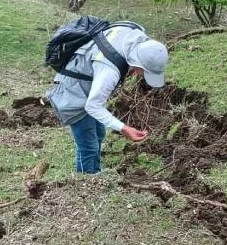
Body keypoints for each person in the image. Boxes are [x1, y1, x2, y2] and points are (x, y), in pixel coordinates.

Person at [46, 22, 168, 174]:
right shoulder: (109, 71)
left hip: (87, 82)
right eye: (143, 71)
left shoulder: (134, 33)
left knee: (99, 134)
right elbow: (92, 106)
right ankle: (86, 183)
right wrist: (124, 129)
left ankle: (95, 172)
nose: (140, 75)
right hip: (72, 93)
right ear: (138, 62)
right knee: (88, 146)